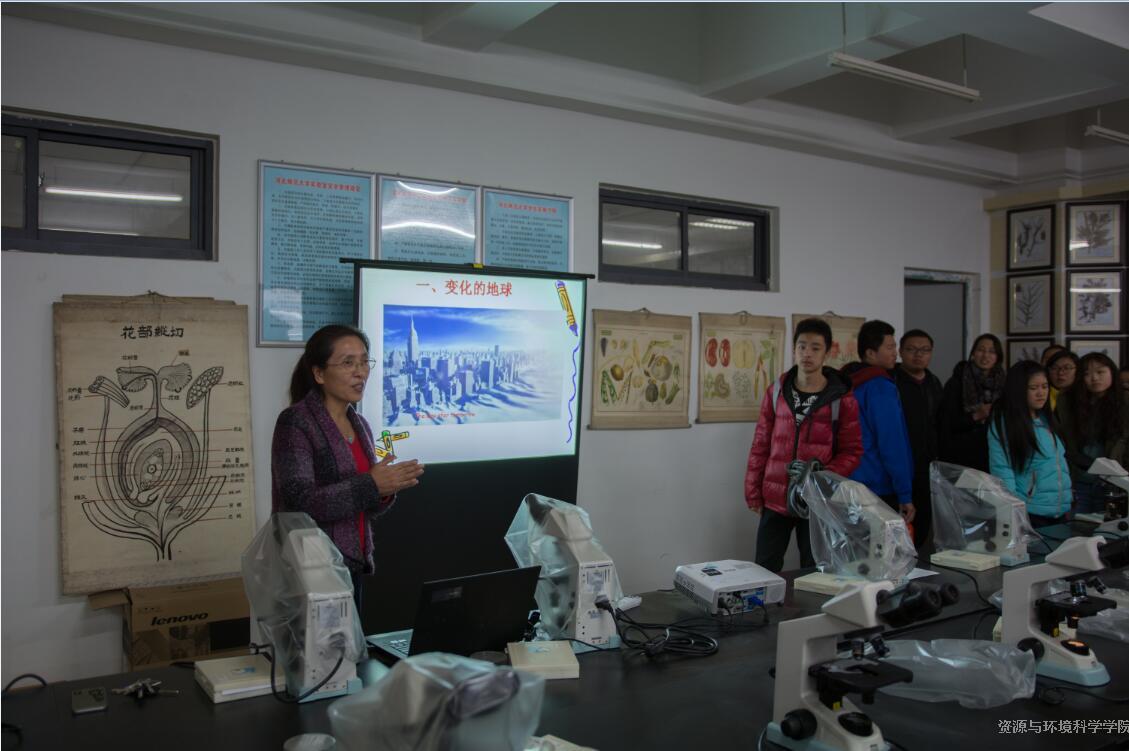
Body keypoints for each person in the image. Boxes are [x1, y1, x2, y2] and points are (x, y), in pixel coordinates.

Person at [272, 324, 424, 609]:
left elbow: (364, 504)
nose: (360, 372)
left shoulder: (360, 423)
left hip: (352, 564)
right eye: (348, 363)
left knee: (352, 639)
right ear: (319, 374)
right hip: (312, 569)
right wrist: (372, 484)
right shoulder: (296, 422)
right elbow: (299, 502)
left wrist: (385, 488)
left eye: (364, 362)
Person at [745, 318, 863, 573]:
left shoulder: (841, 398)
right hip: (775, 496)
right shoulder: (777, 391)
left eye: (815, 348)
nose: (807, 353)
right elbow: (761, 444)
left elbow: (852, 451)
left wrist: (822, 473)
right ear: (794, 349)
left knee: (815, 571)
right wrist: (753, 490)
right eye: (802, 346)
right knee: (764, 568)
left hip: (815, 500)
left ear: (827, 352)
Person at [841, 320, 915, 524]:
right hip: (878, 486)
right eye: (890, 347)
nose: (895, 353)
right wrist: (905, 493)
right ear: (871, 353)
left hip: (845, 482)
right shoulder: (879, 386)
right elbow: (891, 443)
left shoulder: (844, 382)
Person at [987, 360, 1072, 527]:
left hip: (1060, 511)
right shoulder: (1005, 424)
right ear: (1018, 390)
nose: (1041, 393)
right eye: (1033, 388)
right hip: (1030, 513)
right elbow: (1003, 471)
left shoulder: (1047, 419)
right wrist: (1014, 511)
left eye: (1045, 387)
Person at [1055, 353, 1129, 514]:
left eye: (1100, 372)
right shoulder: (1068, 401)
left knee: (1109, 525)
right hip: (1079, 478)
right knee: (1078, 524)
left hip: (1114, 480)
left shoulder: (1125, 401)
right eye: (1087, 374)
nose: (1094, 378)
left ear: (1112, 372)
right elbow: (1063, 441)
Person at [892, 329, 944, 551]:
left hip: (927, 467)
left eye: (924, 350)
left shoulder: (934, 382)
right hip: (899, 466)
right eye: (911, 349)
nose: (918, 355)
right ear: (900, 351)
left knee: (922, 525)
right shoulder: (892, 380)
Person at [938, 334, 1004, 472]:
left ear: (998, 357)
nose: (985, 355)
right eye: (981, 350)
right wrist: (976, 415)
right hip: (962, 455)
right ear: (973, 353)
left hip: (994, 454)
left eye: (992, 351)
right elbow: (946, 423)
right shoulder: (957, 382)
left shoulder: (1004, 383)